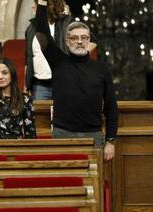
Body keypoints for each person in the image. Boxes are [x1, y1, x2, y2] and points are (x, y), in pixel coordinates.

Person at [35, 0, 118, 160]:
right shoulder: (58, 61)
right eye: (74, 38)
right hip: (62, 135)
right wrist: (42, 3)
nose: (79, 41)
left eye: (84, 38)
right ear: (67, 42)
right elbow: (42, 33)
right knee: (62, 183)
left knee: (95, 184)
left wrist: (111, 140)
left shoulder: (102, 69)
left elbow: (111, 107)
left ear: (89, 41)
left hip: (94, 137)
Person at [25, 0, 73, 99]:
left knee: (64, 114)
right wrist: (27, 84)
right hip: (39, 85)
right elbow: (28, 57)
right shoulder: (31, 28)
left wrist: (78, 60)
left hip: (64, 83)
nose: (33, 7)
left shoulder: (65, 24)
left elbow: (91, 40)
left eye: (36, 4)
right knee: (39, 114)